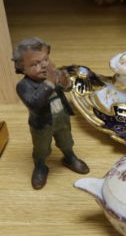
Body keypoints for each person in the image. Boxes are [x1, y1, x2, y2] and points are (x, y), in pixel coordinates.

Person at [12, 37, 89, 189]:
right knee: (41, 148)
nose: (43, 66)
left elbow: (67, 89)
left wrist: (66, 81)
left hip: (61, 118)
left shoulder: (54, 74)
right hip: (42, 124)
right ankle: (40, 166)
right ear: (22, 68)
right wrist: (49, 83)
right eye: (35, 64)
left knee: (66, 140)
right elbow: (34, 104)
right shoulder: (23, 86)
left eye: (45, 60)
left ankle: (69, 156)